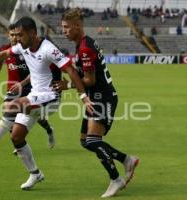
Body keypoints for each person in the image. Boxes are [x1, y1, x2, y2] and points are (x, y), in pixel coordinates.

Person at [0, 16, 93, 190]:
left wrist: (83, 96)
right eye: (16, 35)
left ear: (33, 33)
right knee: (16, 137)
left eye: (21, 35)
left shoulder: (48, 48)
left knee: (11, 106)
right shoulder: (22, 46)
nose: (17, 39)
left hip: (50, 98)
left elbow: (70, 69)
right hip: (35, 97)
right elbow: (5, 54)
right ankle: (35, 174)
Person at [59, 8, 139, 198]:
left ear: (77, 26)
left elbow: (90, 81)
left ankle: (116, 179)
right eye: (62, 27)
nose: (64, 31)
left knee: (93, 140)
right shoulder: (83, 44)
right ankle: (127, 160)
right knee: (85, 141)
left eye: (66, 27)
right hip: (96, 97)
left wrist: (68, 84)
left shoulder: (85, 48)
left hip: (103, 97)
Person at [0, 24, 57, 157]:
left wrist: (23, 82)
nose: (14, 37)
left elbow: (37, 70)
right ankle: (17, 142)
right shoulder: (5, 49)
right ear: (8, 36)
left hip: (30, 86)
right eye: (12, 35)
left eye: (16, 35)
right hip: (13, 87)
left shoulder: (27, 48)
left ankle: (48, 130)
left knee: (34, 116)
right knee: (9, 109)